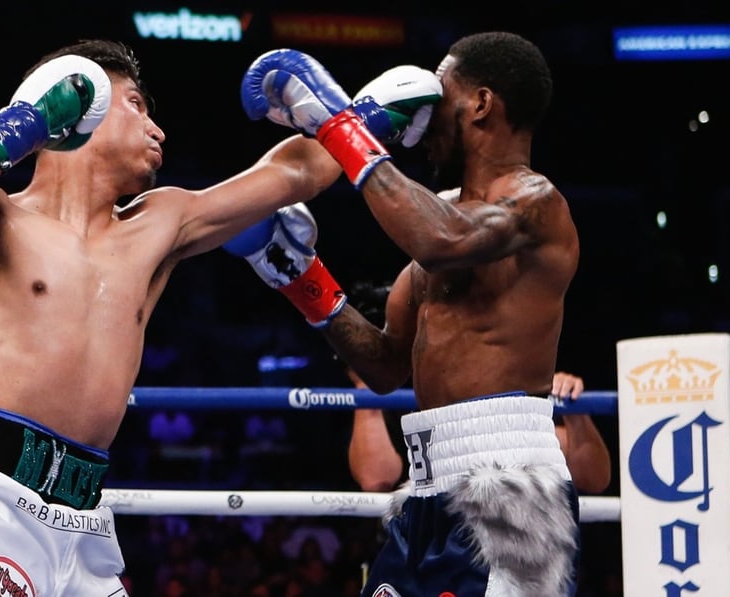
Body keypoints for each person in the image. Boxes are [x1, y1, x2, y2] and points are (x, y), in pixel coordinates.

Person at [0, 39, 348, 597]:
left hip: (81, 514)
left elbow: (301, 174)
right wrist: (31, 118)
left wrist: (342, 112)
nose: (158, 131)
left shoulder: (160, 222)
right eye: (137, 104)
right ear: (83, 107)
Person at [231, 32, 581, 596]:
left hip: (509, 486)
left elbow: (444, 240)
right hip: (425, 487)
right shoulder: (438, 213)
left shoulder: (537, 203)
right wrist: (299, 277)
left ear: (482, 105)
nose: (422, 112)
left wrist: (339, 124)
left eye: (440, 94)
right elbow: (387, 367)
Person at [343, 282, 611, 494]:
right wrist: (366, 380)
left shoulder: (501, 385)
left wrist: (575, 414)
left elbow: (594, 479)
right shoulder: (391, 399)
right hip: (419, 532)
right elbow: (375, 479)